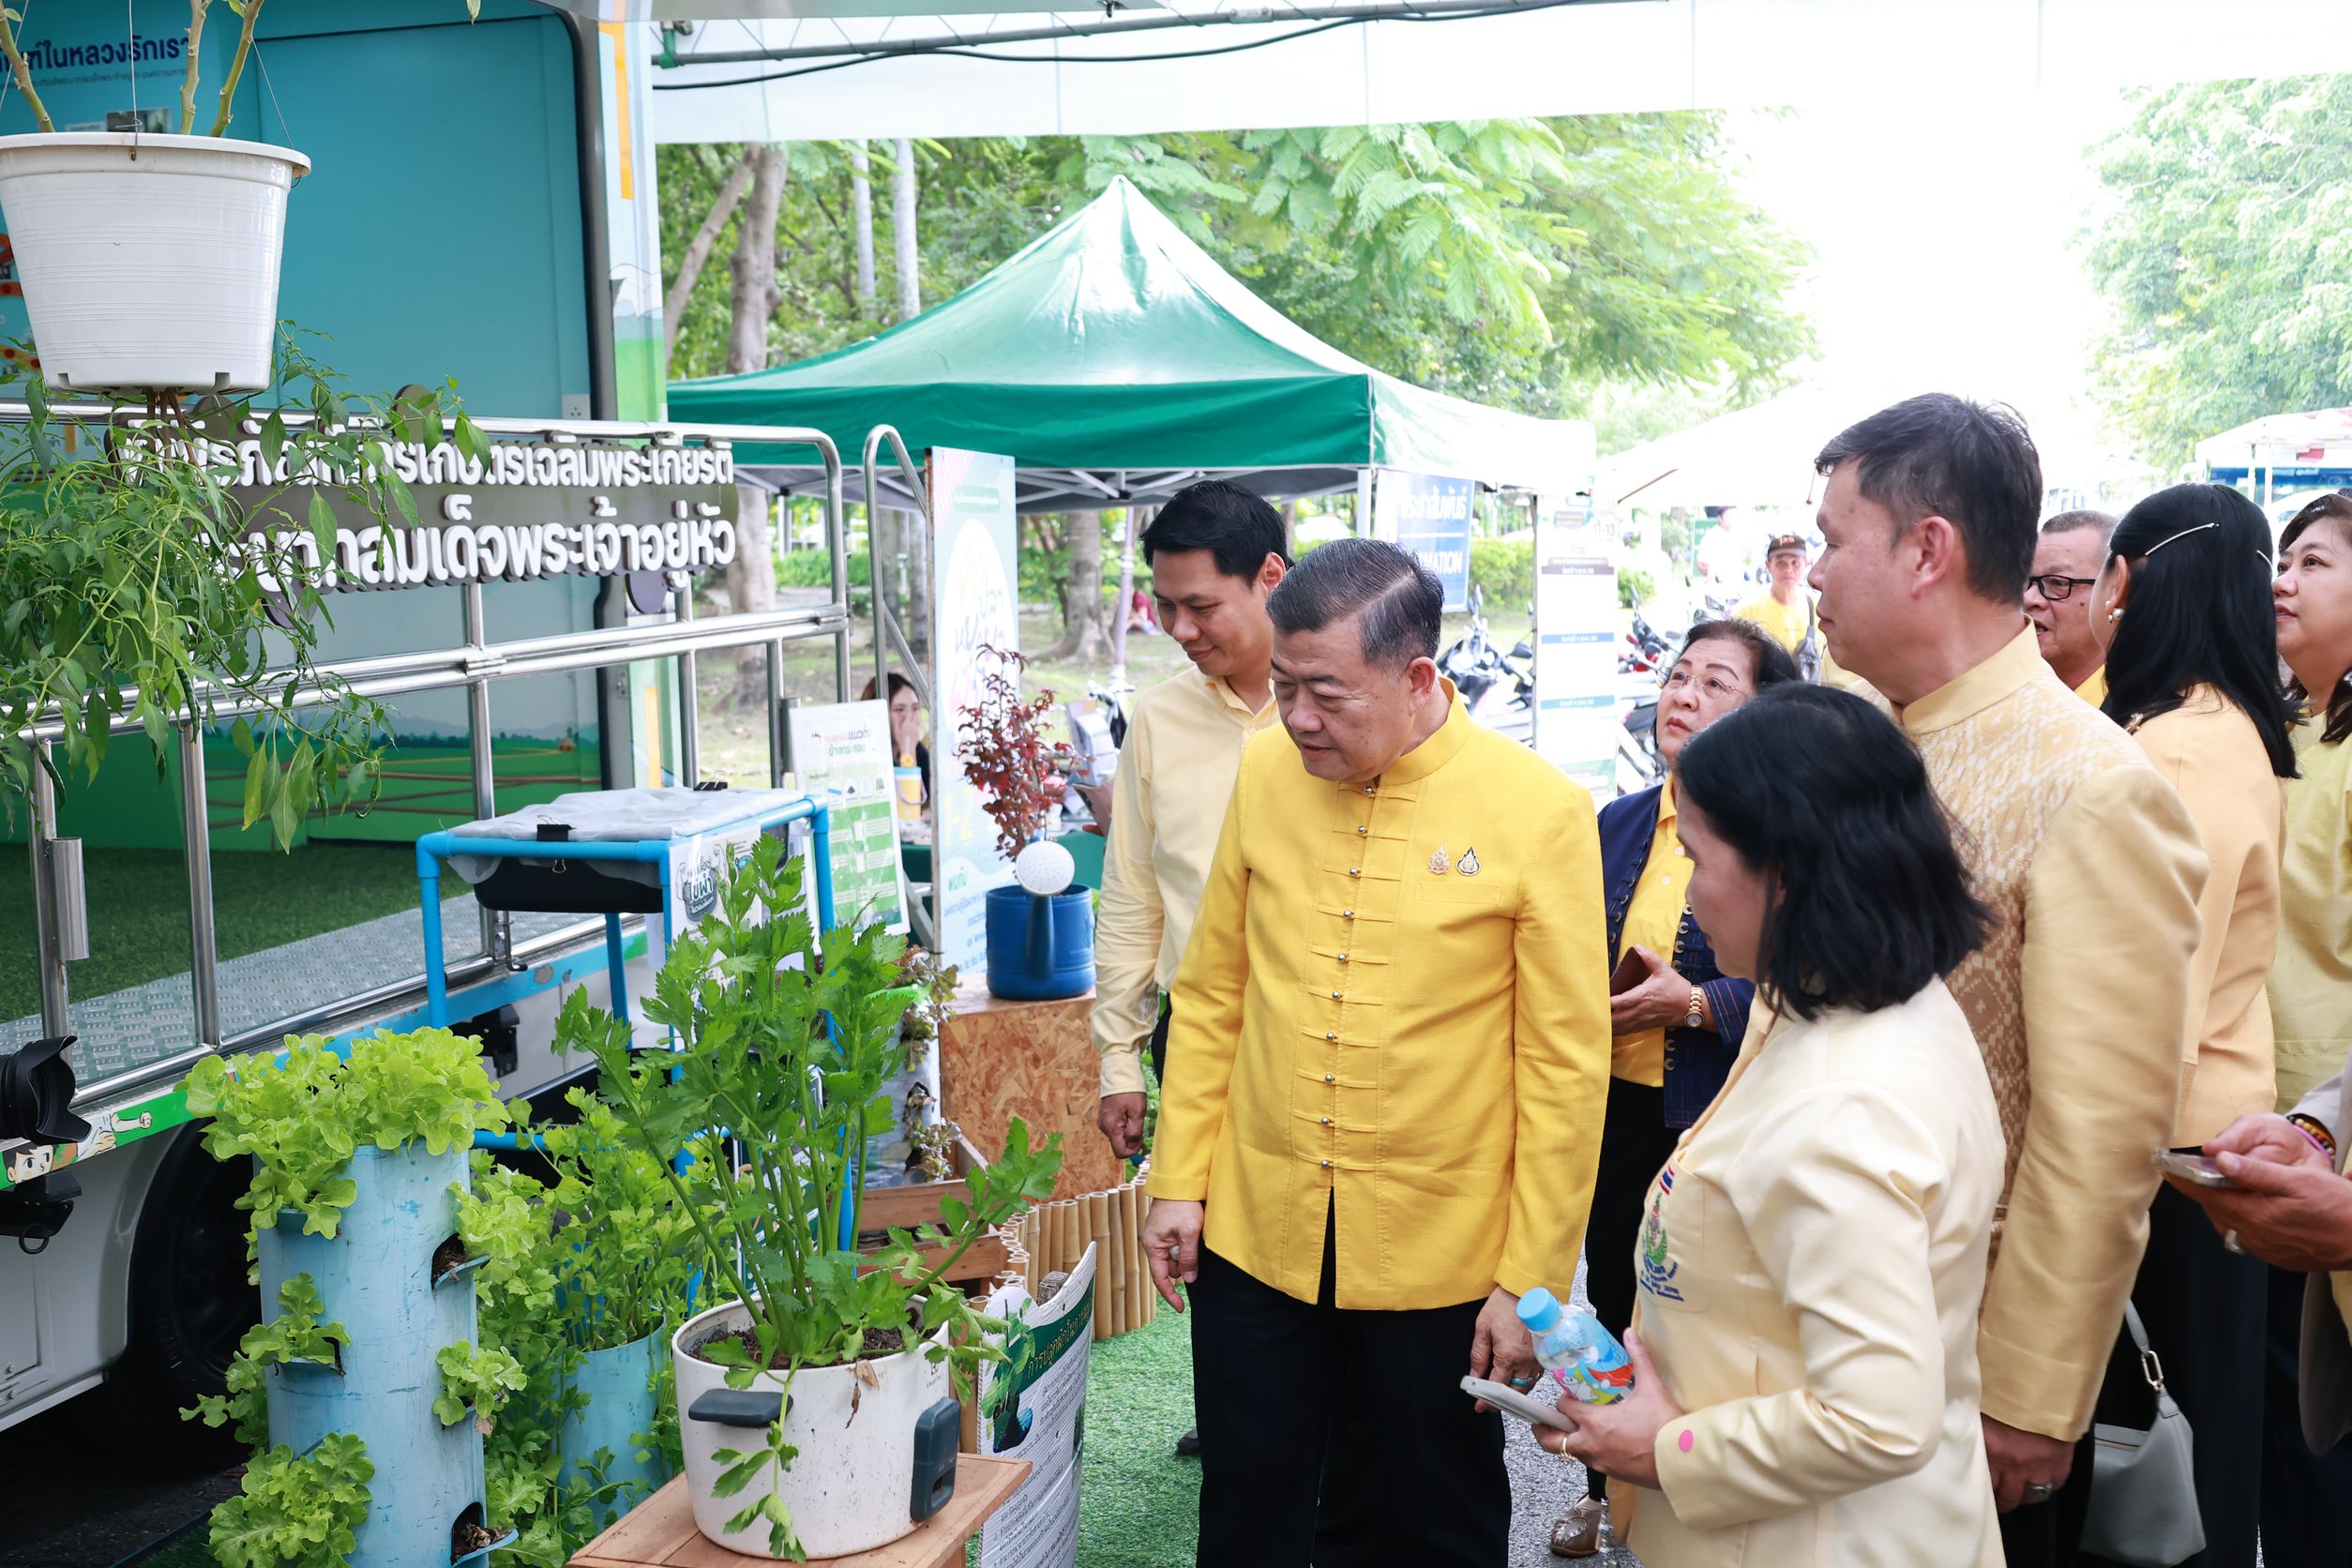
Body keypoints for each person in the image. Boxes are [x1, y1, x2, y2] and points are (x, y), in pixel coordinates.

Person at [1138, 538, 1611, 1568]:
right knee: (1250, 1503)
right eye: (1284, 686)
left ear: (1416, 678)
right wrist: (1178, 1179)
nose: (1298, 717)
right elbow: (1214, 992)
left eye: (1326, 693)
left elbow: (1564, 1068)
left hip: (1440, 1254)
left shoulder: (1538, 809)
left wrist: (1528, 1280)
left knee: (1431, 1518)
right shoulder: (1266, 767)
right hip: (1260, 1229)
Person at [1805, 393, 2207, 1566]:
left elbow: (2100, 1130)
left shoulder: (2094, 784)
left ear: (1927, 550)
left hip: (1953, 1362)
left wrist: (2032, 1394)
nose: (1813, 572)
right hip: (1808, 1327)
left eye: (1833, 539)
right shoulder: (1851, 733)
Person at [1533, 684, 2004, 1567]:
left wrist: (1664, 1449)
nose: (1690, 896)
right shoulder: (1865, 1003)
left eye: (1698, 859)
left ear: (1782, 875)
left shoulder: (1843, 1109)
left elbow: (1877, 1419)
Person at [2075, 483, 2298, 1568]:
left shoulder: (2181, 744)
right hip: (2194, 1138)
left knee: (2161, 1476)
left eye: (2098, 574)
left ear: (2133, 580)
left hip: (2164, 1155)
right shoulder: (2212, 726)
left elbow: (2153, 991)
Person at [1553, 617, 1798, 1558]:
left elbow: (1798, 977)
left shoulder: (1775, 834)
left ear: (1766, 712)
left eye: (1715, 684)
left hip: (1713, 1105)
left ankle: (1703, 1481)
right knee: (1615, 1295)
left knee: (1705, 1308)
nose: (1683, 697)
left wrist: (1692, 1003)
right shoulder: (1616, 821)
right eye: (1677, 676)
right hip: (1609, 1105)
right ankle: (1605, 1487)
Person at [1089, 478, 1288, 1460]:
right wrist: (1119, 1058)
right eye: (1164, 606)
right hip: (1198, 1029)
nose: (1178, 629)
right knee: (1205, 1239)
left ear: (1270, 578)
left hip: (1322, 1024)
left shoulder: (1344, 704)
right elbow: (1130, 896)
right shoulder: (1159, 720)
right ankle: (1239, 1427)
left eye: (1200, 605)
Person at [2222, 490, 2352, 1566]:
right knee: (2284, 1422)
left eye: (2315, 562)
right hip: (2279, 1120)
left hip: (2330, 1128)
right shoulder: (2283, 728)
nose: (2283, 580)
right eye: (2284, 558)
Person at [2025, 509, 2117, 703]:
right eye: (2025, 581)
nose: (2029, 599)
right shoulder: (2013, 701)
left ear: (2116, 591)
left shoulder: (2139, 710)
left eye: (2058, 583)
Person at [1733, 534, 1820, 674]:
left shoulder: (1817, 607)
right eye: (1781, 563)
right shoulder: (1747, 610)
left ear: (1806, 564)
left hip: (1806, 687)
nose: (1788, 570)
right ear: (1768, 565)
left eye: (1795, 563)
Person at [859, 672, 929, 801]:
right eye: (899, 709)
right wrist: (907, 750)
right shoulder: (868, 759)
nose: (909, 718)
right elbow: (908, 803)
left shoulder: (919, 751)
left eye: (915, 708)